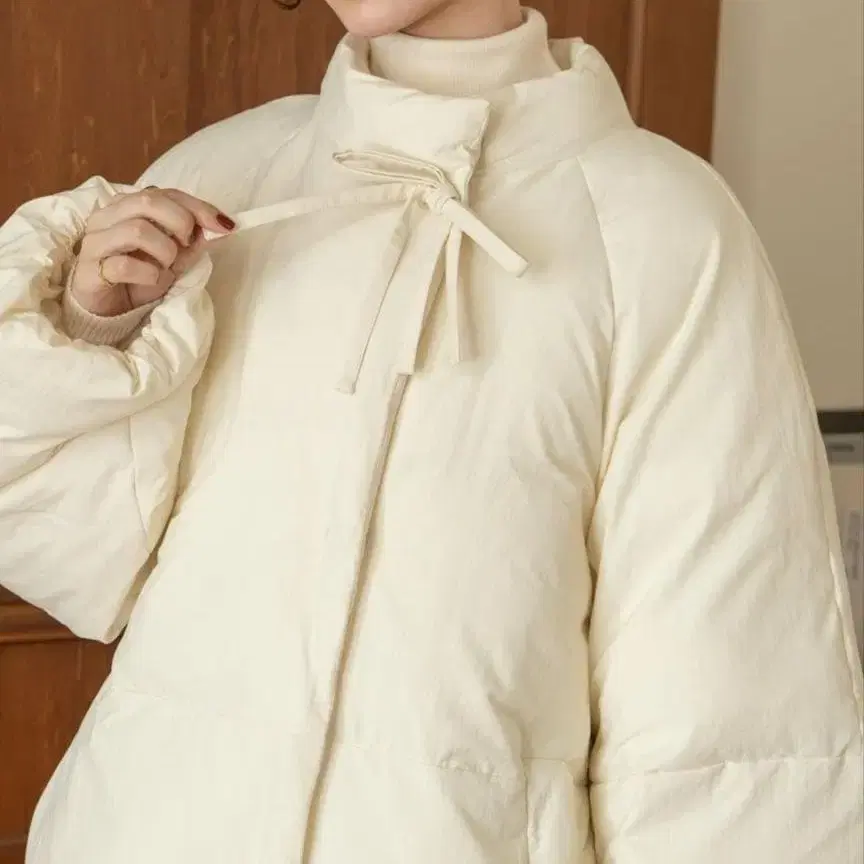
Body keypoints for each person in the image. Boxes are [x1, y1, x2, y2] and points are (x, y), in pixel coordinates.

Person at [0, 1, 861, 861]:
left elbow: (725, 716)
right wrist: (95, 329)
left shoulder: (664, 230)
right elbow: (79, 561)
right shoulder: (228, 173)